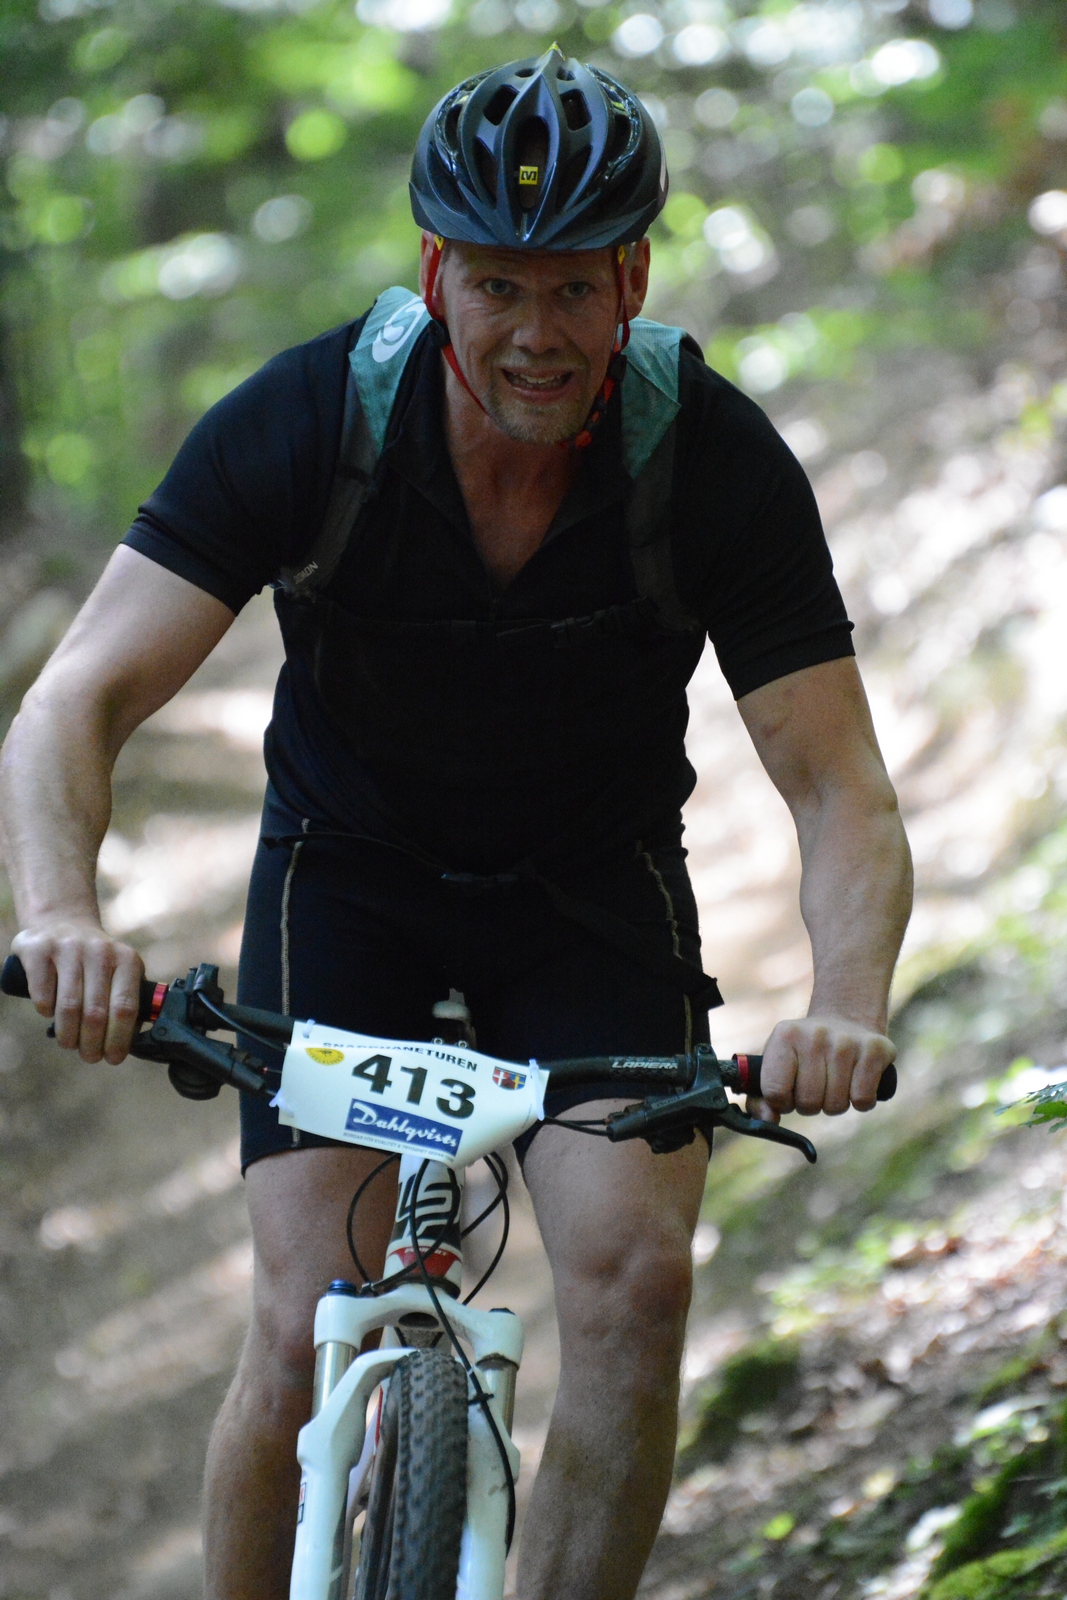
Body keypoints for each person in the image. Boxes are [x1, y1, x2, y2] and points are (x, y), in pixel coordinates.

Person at [0, 47, 911, 1600]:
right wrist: (60, 916)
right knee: (304, 1318)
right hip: (348, 881)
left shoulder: (711, 460)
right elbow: (75, 696)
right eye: (497, 287)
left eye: (573, 289)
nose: (536, 333)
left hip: (590, 899)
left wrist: (845, 1004)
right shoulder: (309, 421)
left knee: (634, 1290)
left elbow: (837, 785)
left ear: (632, 281)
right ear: (436, 276)